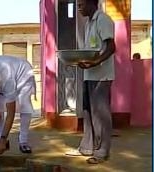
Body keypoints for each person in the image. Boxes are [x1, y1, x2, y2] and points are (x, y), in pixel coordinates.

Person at [65, 0, 116, 164]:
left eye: (81, 4)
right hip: (89, 74)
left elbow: (111, 47)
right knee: (87, 113)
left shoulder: (103, 19)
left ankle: (102, 153)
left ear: (92, 4)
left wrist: (96, 62)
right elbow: (90, 50)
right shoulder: (88, 23)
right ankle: (87, 147)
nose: (79, 8)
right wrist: (81, 61)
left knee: (100, 115)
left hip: (101, 76)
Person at [0, 55, 37, 156]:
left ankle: (23, 141)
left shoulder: (8, 79)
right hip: (5, 73)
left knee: (24, 106)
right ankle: (2, 139)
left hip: (23, 74)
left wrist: (3, 138)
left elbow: (11, 113)